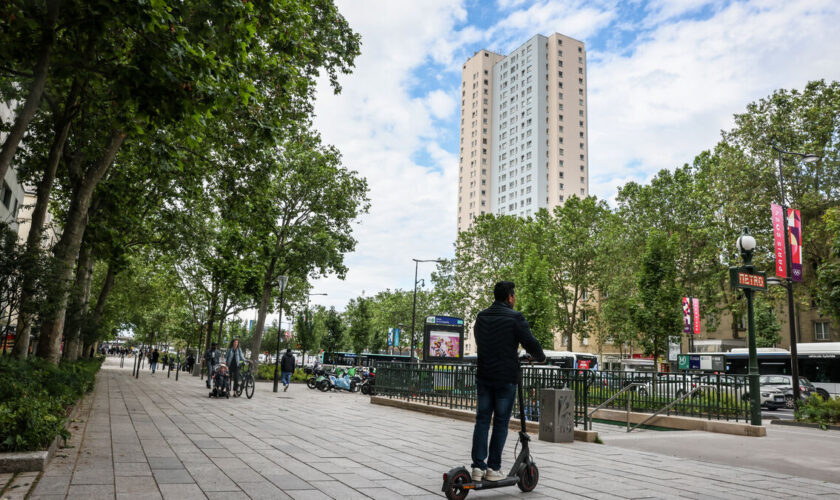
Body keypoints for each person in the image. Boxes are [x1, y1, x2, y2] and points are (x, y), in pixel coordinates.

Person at [470, 281, 545, 482]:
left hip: (484, 375)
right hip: (506, 377)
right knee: (501, 422)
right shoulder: (515, 317)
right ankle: (493, 468)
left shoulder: (482, 316)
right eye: (514, 296)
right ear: (510, 297)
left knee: (482, 420)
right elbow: (530, 341)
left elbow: (480, 339)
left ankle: (477, 467)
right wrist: (539, 356)